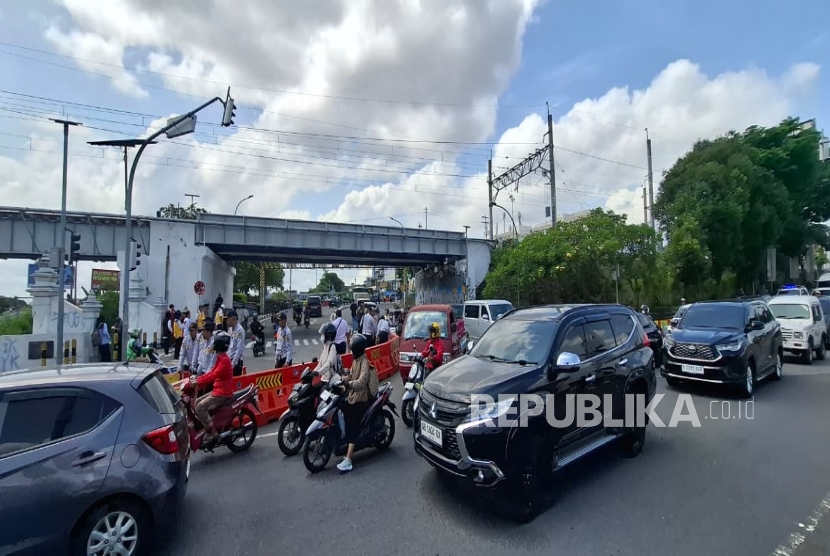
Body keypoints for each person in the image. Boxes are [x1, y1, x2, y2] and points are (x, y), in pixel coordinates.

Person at [337, 334, 376, 473]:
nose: (351, 351)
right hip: (354, 395)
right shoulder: (356, 361)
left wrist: (349, 383)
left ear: (357, 349)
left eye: (352, 349)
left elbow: (361, 382)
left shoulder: (364, 362)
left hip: (362, 397)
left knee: (351, 420)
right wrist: (343, 379)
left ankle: (348, 459)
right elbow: (352, 376)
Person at [193, 331, 233, 444]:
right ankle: (207, 427)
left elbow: (213, 375)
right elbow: (211, 372)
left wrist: (198, 380)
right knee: (197, 402)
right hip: (217, 390)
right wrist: (197, 379)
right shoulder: (220, 358)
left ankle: (213, 433)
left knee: (200, 407)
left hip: (223, 393)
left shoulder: (224, 360)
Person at [315, 323, 343, 394]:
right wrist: (312, 372)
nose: (321, 336)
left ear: (328, 335)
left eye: (323, 334)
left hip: (330, 380)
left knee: (321, 395)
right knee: (312, 390)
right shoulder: (324, 347)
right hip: (323, 379)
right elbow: (320, 363)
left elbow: (329, 363)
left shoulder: (332, 347)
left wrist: (319, 372)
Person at [226, 309, 246, 376]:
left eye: (228, 319)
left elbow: (239, 348)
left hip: (236, 362)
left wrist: (233, 364)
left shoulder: (240, 330)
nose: (227, 321)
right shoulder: (230, 330)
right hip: (229, 360)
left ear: (233, 319)